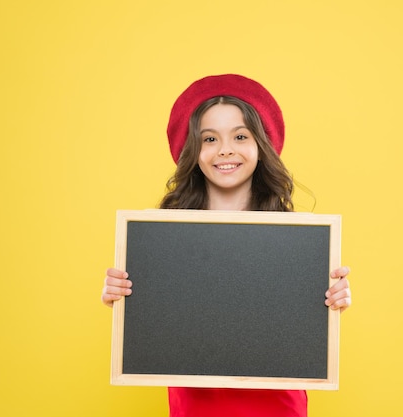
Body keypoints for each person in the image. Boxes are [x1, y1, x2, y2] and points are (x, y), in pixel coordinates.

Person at [101, 74, 352, 417]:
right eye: (209, 138)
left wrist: (331, 299)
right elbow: (155, 321)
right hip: (196, 403)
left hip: (277, 403)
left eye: (240, 136)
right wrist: (124, 296)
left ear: (260, 145)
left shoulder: (296, 238)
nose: (225, 150)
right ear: (194, 150)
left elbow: (300, 325)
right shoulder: (161, 235)